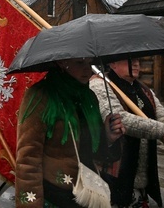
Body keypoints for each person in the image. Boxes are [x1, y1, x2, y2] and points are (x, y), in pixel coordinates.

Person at [16, 57, 124, 208]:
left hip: (86, 193)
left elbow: (95, 153)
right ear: (61, 62)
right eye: (80, 63)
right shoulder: (40, 96)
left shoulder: (89, 97)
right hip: (54, 195)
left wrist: (108, 138)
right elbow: (28, 159)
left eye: (89, 63)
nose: (88, 69)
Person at [90, 58, 164, 208]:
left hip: (139, 182)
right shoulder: (99, 85)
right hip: (112, 176)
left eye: (137, 59)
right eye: (129, 59)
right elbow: (121, 120)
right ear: (112, 63)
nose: (136, 63)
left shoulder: (143, 90)